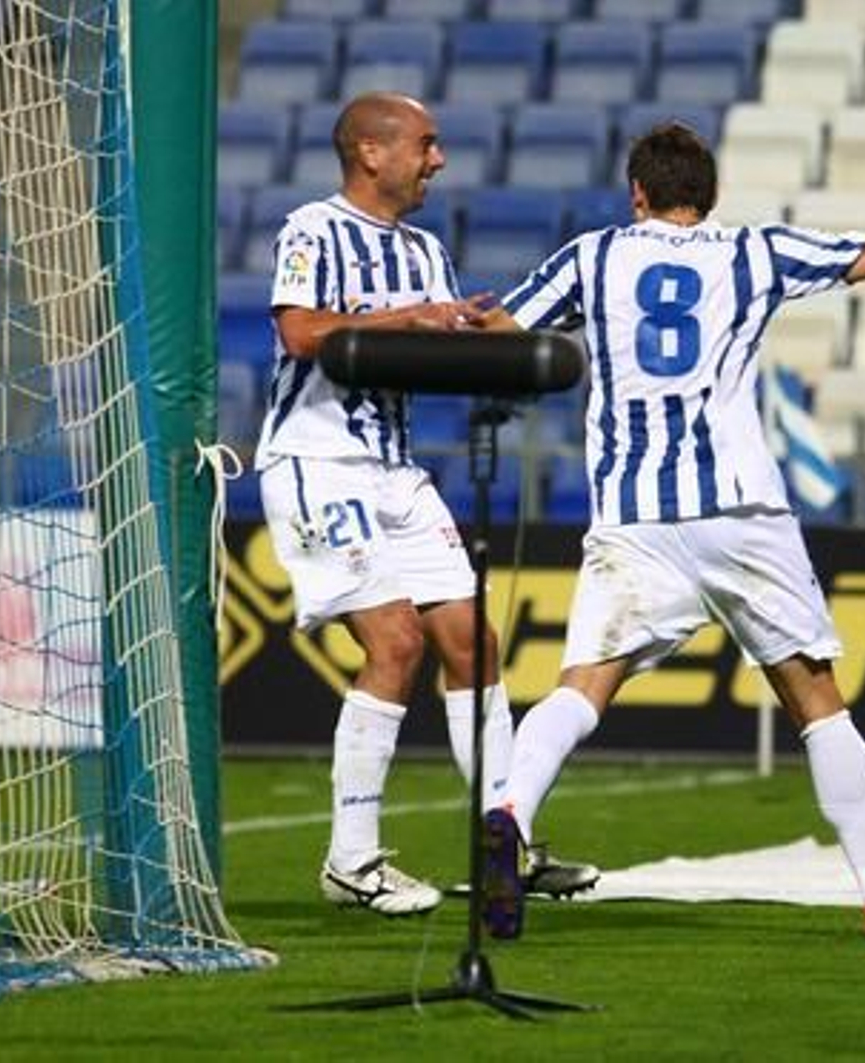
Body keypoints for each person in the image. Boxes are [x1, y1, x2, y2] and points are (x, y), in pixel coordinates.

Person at [476, 122, 865, 940]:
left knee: (582, 686)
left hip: (633, 513)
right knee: (816, 700)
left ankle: (511, 813)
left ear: (635, 194)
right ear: (707, 197)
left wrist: (411, 327)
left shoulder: (591, 257)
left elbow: (497, 329)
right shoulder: (754, 253)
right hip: (741, 511)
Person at [254, 92, 598, 916]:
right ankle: (352, 860)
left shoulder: (426, 250)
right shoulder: (312, 229)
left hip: (396, 470)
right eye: (427, 143)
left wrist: (483, 342)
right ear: (372, 152)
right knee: (397, 642)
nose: (438, 159)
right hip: (319, 462)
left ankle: (503, 843)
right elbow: (302, 335)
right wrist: (416, 318)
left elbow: (424, 353)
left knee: (472, 641)